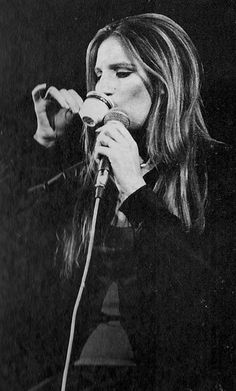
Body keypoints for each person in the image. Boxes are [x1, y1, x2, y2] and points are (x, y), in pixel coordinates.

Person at [19, 13, 235, 391]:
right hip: (80, 375)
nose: (102, 88)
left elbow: (207, 298)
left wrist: (137, 194)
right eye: (98, 75)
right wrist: (44, 146)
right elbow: (14, 232)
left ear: (164, 84)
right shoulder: (91, 176)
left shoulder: (216, 171)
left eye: (121, 73)